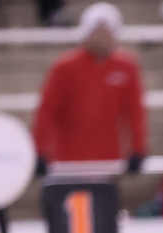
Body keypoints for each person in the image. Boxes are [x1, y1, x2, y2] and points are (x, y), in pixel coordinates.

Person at [32, 3, 147, 173]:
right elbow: (46, 111)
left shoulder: (126, 67)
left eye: (106, 31)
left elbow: (135, 113)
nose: (102, 37)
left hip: (108, 163)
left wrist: (138, 150)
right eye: (97, 31)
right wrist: (38, 152)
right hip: (67, 163)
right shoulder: (64, 67)